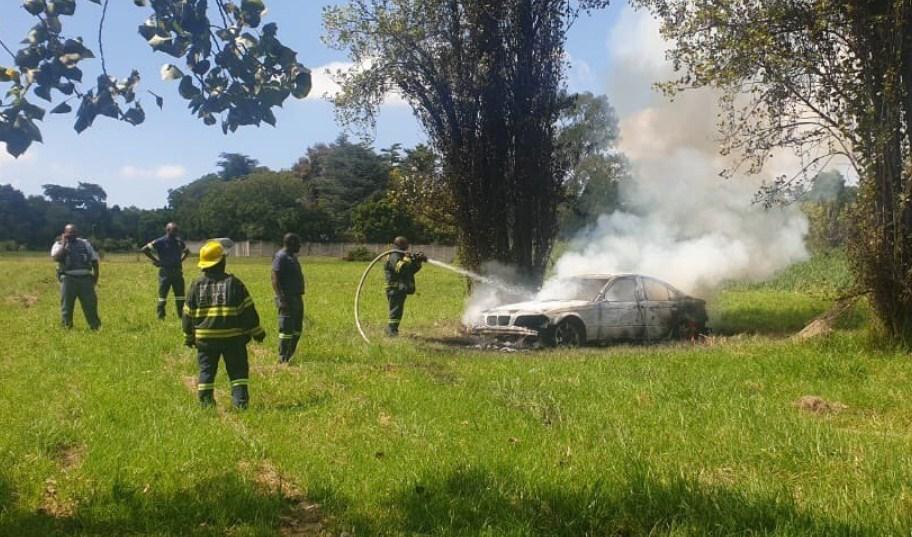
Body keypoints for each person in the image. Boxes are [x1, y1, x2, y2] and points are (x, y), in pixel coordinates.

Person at [182, 240, 266, 409]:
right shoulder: (234, 284)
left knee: (206, 371)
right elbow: (248, 311)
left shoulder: (195, 285)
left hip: (205, 340)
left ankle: (206, 403)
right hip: (233, 339)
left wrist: (189, 336)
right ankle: (240, 402)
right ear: (222, 261)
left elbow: (187, 315)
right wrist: (257, 332)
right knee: (238, 371)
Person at [51, 224, 101, 330]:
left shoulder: (85, 243)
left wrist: (96, 276)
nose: (72, 235)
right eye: (69, 233)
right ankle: (66, 327)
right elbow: (56, 258)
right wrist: (64, 244)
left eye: (74, 233)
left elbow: (94, 260)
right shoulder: (58, 244)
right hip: (68, 278)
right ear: (64, 234)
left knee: (90, 305)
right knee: (66, 306)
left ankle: (95, 327)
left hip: (86, 278)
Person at [141, 222, 190, 319]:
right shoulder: (160, 241)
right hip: (165, 272)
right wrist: (156, 261)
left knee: (180, 296)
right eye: (174, 231)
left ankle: (181, 315)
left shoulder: (179, 241)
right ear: (167, 230)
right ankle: (161, 315)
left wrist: (181, 260)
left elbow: (187, 251)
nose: (176, 233)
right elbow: (144, 249)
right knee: (163, 295)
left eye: (176, 231)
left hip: (177, 272)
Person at [272, 233, 305, 363]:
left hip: (297, 297)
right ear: (290, 243)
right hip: (287, 299)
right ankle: (283, 357)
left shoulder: (292, 257)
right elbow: (275, 279)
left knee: (297, 329)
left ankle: (289, 355)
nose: (300, 246)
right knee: (286, 329)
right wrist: (281, 298)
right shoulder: (281, 257)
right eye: (298, 243)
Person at [384, 236, 426, 336]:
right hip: (394, 288)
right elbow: (401, 268)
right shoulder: (394, 255)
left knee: (398, 311)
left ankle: (392, 329)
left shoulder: (400, 255)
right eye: (406, 245)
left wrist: (417, 261)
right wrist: (407, 258)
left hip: (399, 289)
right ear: (401, 244)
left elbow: (410, 271)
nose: (407, 247)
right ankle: (391, 331)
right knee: (395, 311)